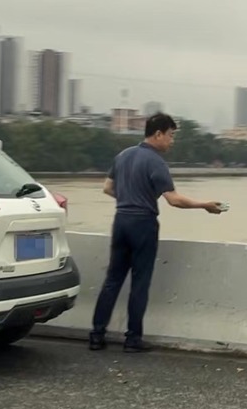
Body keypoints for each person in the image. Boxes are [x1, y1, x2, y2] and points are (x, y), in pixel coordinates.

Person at [89, 112, 224, 352]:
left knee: (113, 280)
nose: (172, 141)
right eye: (171, 135)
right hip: (143, 224)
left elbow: (107, 188)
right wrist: (205, 205)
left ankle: (97, 336)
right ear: (158, 134)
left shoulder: (123, 155)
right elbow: (174, 200)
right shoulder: (156, 162)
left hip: (121, 221)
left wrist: (129, 198)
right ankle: (132, 340)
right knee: (140, 283)